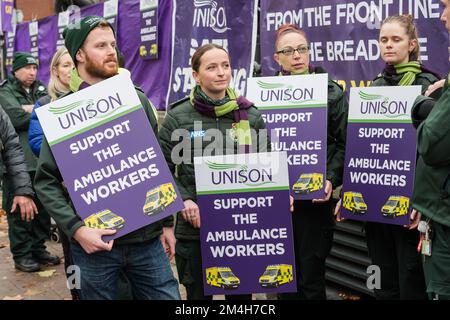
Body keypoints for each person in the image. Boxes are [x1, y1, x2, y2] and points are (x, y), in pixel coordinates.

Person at [34, 15, 180, 300]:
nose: (111, 51)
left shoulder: (135, 100)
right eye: (100, 45)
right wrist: (77, 231)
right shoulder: (63, 115)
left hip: (147, 242)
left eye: (113, 44)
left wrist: (166, 224)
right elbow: (46, 182)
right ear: (80, 54)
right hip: (95, 246)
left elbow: (157, 164)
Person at [159, 44, 280, 300]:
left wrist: (280, 196)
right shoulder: (177, 117)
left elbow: (267, 168)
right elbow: (161, 170)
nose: (221, 72)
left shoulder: (249, 116)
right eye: (211, 67)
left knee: (240, 298)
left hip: (238, 231)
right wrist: (184, 199)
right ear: (195, 75)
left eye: (225, 66)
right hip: (193, 230)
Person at [335, 15, 439, 300]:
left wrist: (420, 202)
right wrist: (350, 192)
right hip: (374, 207)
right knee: (381, 279)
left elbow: (432, 152)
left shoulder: (428, 85)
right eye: (383, 40)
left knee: (410, 278)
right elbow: (363, 149)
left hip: (409, 209)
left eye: (396, 39)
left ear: (412, 44)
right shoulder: (376, 84)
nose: (389, 45)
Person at [273, 24, 348, 300]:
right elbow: (256, 148)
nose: (297, 56)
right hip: (279, 204)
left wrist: (330, 179)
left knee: (312, 280)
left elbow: (345, 143)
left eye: (302, 49)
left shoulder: (330, 91)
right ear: (276, 58)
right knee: (284, 282)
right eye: (288, 51)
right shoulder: (263, 95)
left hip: (315, 205)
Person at [0, 52, 60, 272]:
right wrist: (37, 110)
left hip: (40, 160)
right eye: (27, 68)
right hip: (16, 163)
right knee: (19, 211)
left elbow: (52, 111)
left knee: (42, 209)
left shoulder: (41, 88)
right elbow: (13, 118)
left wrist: (32, 110)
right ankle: (22, 253)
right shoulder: (5, 91)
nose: (32, 72)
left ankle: (38, 247)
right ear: (15, 70)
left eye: (35, 68)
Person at [410, 0, 450, 300]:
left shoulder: (428, 82)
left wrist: (421, 108)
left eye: (448, 7)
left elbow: (430, 144)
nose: (443, 17)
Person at [28, 46, 73, 156]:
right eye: (66, 65)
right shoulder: (44, 104)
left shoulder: (90, 95)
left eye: (76, 64)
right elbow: (37, 143)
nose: (72, 69)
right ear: (55, 70)